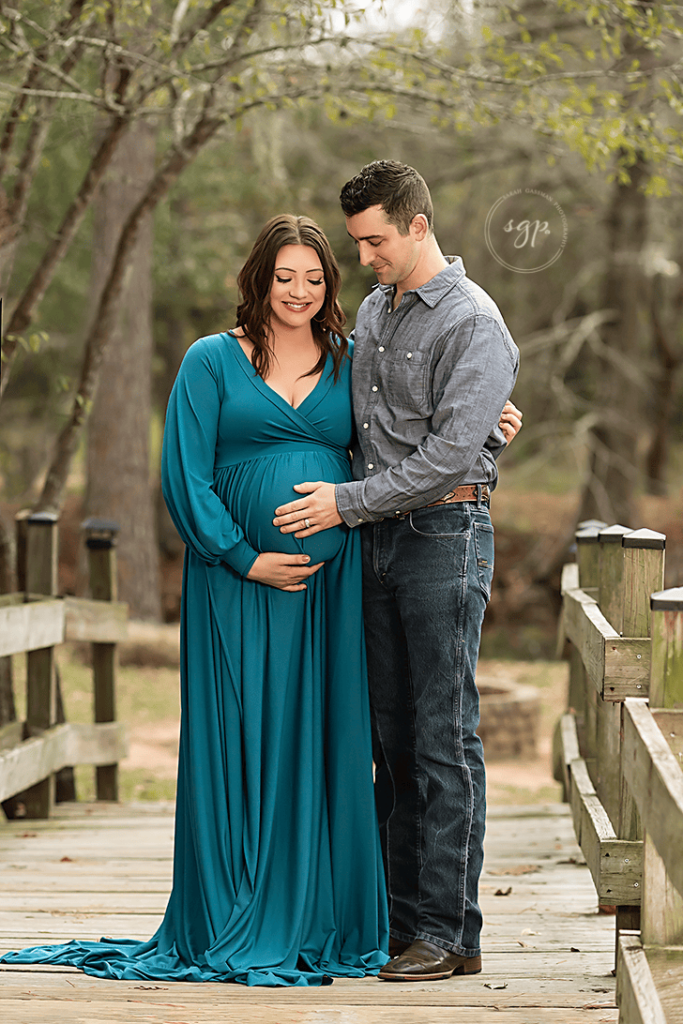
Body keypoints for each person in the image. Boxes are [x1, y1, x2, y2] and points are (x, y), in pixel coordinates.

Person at [0, 215, 390, 986]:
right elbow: (185, 476)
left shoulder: (350, 360)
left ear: (329, 286)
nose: (299, 292)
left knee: (321, 739)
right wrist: (245, 558)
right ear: (258, 279)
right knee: (243, 736)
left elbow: (394, 445)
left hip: (327, 596)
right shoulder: (210, 360)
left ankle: (321, 918)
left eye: (314, 278)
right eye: (285, 277)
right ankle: (231, 910)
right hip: (235, 586)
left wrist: (488, 430)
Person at [272, 162, 521, 982]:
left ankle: (452, 935)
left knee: (444, 739)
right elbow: (374, 425)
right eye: (358, 242)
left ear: (418, 226)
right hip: (377, 544)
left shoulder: (474, 323)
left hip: (443, 539)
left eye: (375, 240)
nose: (365, 257)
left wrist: (348, 501)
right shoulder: (377, 311)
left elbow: (448, 454)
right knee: (394, 744)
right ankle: (402, 923)